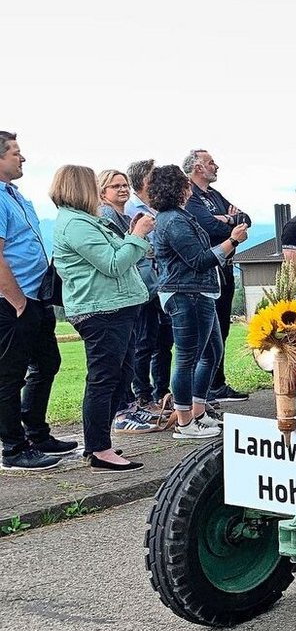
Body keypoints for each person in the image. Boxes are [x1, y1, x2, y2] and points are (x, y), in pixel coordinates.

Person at [50, 165, 154, 471]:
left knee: (119, 378)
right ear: (79, 188)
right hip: (102, 311)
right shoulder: (76, 225)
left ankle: (102, 443)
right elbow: (113, 263)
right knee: (104, 379)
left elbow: (118, 255)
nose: (98, 189)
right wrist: (137, 235)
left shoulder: (88, 221)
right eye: (92, 184)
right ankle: (98, 449)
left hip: (116, 307)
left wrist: (130, 236)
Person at [151, 164, 246, 438]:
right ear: (179, 189)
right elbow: (199, 260)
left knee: (212, 352)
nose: (189, 187)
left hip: (199, 292)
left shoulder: (179, 217)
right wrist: (232, 240)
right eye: (185, 183)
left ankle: (198, 411)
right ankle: (184, 423)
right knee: (187, 358)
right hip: (185, 294)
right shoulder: (174, 221)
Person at [0, 132, 76, 469]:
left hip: (35, 297)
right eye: (16, 153)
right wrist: (17, 302)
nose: (23, 158)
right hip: (14, 302)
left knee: (47, 363)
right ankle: (13, 449)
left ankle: (36, 433)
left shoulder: (14, 195)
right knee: (9, 375)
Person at [96, 169, 162, 433]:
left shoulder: (122, 215)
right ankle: (123, 409)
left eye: (124, 185)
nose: (122, 190)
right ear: (103, 192)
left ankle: (131, 404)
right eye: (115, 186)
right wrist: (139, 235)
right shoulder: (107, 215)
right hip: (122, 293)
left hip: (138, 288)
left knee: (135, 348)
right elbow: (125, 251)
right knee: (128, 353)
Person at [182, 149, 248, 404]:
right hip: (207, 269)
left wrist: (228, 218)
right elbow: (206, 227)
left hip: (225, 268)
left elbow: (245, 218)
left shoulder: (214, 195)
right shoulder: (191, 196)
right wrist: (229, 223)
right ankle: (202, 390)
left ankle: (217, 384)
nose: (216, 166)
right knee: (206, 334)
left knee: (222, 329)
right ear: (198, 167)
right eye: (211, 162)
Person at [126, 159, 174, 418]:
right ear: (144, 181)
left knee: (165, 342)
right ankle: (142, 394)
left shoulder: (158, 207)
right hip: (145, 282)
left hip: (163, 281)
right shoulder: (132, 209)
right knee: (144, 341)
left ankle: (162, 392)